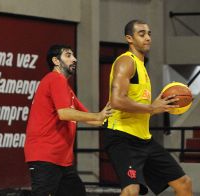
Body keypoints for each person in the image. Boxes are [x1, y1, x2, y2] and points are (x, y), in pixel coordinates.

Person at [103, 20, 193, 196]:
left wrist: (155, 107)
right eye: (142, 34)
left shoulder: (142, 66)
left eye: (149, 33)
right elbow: (116, 101)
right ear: (129, 38)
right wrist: (151, 108)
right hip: (121, 137)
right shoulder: (126, 62)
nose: (148, 38)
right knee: (131, 190)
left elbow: (139, 105)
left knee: (184, 183)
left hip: (143, 138)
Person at [24, 44, 112, 196]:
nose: (74, 59)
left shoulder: (66, 89)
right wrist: (97, 116)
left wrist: (116, 115)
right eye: (68, 55)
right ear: (56, 61)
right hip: (46, 156)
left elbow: (94, 120)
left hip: (62, 161)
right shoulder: (54, 79)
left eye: (73, 55)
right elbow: (64, 114)